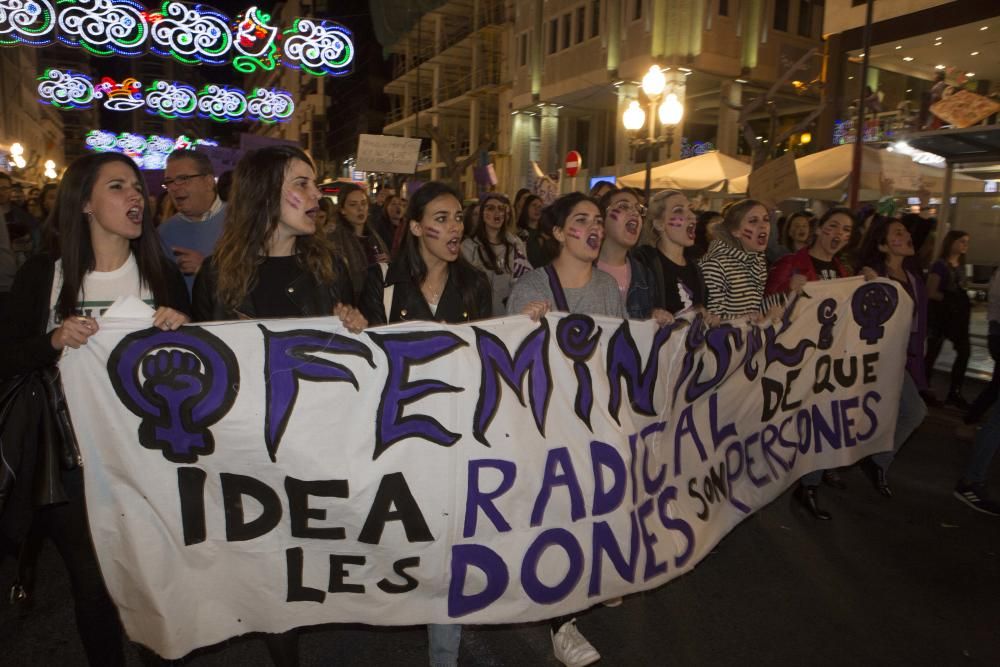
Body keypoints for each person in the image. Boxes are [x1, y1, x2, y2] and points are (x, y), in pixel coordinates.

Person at [0, 152, 190, 666]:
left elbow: (202, 369)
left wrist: (183, 329)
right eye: (117, 186)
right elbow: (8, 355)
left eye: (136, 187)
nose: (135, 196)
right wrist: (52, 340)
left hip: (148, 461)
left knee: (152, 581)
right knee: (92, 584)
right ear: (84, 203)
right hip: (68, 463)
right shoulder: (47, 275)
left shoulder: (160, 276)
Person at [359, 181, 491, 667]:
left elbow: (489, 357)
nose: (454, 227)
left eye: (458, 217)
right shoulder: (384, 284)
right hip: (399, 439)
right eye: (441, 218)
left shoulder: (474, 285)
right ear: (415, 227)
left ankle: (443, 654)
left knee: (447, 546)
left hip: (455, 436)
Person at [507, 191, 622, 667]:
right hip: (548, 425)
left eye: (598, 220)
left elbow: (619, 355)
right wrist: (523, 325)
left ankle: (584, 584)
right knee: (557, 515)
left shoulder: (609, 289)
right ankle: (562, 623)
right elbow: (510, 365)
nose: (594, 229)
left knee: (587, 512)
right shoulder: (530, 286)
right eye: (581, 221)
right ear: (557, 233)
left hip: (593, 420)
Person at [766, 207, 855, 519]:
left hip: (829, 356)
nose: (839, 234)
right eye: (833, 227)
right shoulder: (792, 263)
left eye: (846, 230)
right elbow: (769, 307)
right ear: (819, 229)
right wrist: (789, 292)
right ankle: (800, 480)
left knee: (822, 418)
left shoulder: (844, 272)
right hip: (799, 356)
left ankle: (811, 481)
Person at [857, 217, 929, 497]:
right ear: (883, 245)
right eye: (898, 233)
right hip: (872, 360)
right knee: (857, 414)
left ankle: (877, 460)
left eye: (906, 231)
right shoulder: (870, 274)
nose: (907, 235)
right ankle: (823, 470)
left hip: (900, 360)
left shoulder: (913, 278)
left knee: (913, 411)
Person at [157, 149, 226, 291]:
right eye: (169, 181)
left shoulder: (243, 221)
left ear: (208, 182)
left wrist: (206, 269)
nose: (174, 187)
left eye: (183, 179)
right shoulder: (162, 234)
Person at [699, 199, 780, 320]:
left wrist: (786, 296)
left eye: (766, 219)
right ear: (735, 231)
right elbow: (711, 321)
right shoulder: (715, 264)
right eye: (753, 221)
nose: (763, 225)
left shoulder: (757, 261)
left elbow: (752, 308)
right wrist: (753, 319)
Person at [633, 189, 705, 319]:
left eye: (690, 209)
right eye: (678, 210)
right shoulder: (643, 264)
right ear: (659, 224)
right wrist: (652, 313)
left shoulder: (696, 268)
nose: (692, 216)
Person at [461, 192, 531, 315]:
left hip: (507, 315)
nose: (497, 213)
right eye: (491, 208)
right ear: (482, 214)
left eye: (501, 209)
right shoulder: (468, 246)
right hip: (478, 314)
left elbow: (523, 279)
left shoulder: (516, 244)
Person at [924, 230, 972, 408]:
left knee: (963, 352)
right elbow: (931, 291)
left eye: (966, 242)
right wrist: (950, 299)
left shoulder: (960, 265)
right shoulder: (940, 265)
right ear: (951, 242)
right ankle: (925, 387)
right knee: (933, 352)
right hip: (943, 315)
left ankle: (954, 391)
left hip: (957, 317)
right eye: (961, 241)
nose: (965, 245)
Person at [964, 267, 1000, 427]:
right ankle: (972, 418)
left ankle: (972, 417)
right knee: (996, 386)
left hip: (996, 334)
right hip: (998, 334)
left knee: (996, 385)